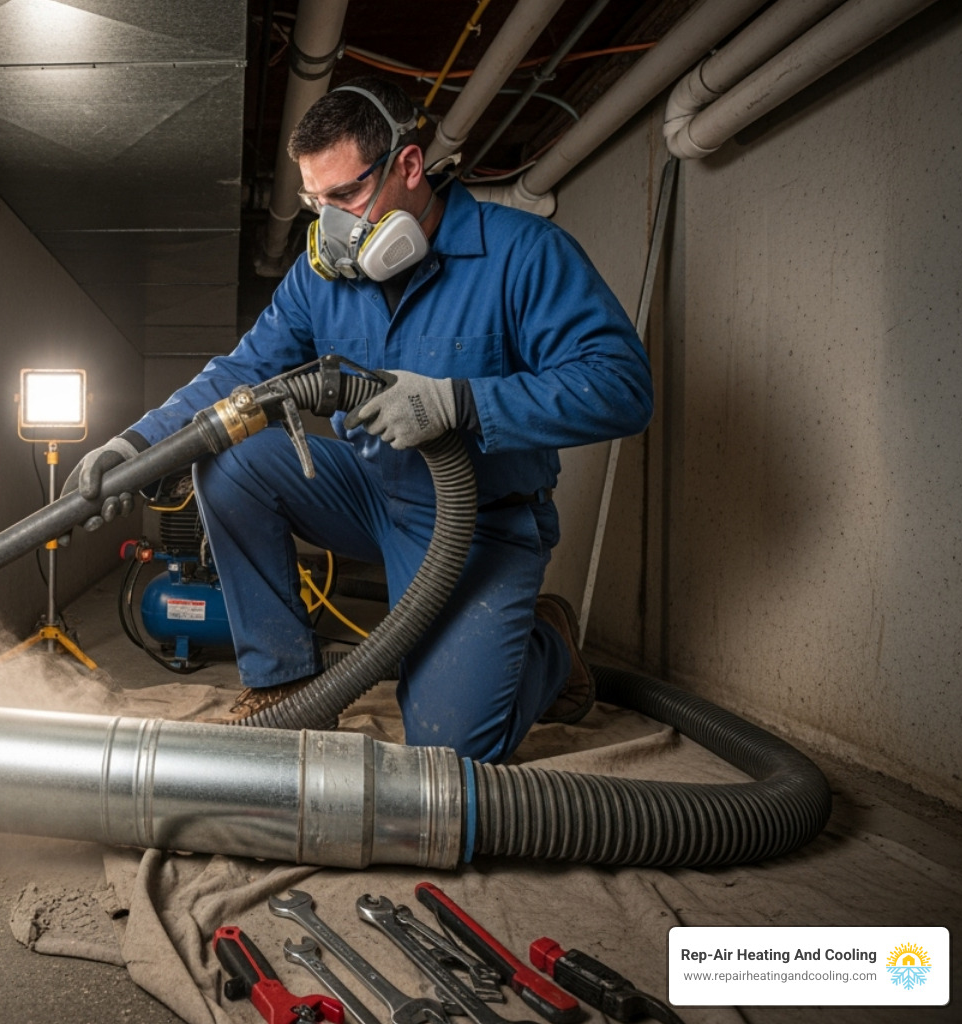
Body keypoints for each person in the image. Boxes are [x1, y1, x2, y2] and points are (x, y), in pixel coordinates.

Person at [65, 78, 653, 762]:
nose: (332, 226)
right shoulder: (322, 279)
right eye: (317, 203)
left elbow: (621, 387)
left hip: (480, 521)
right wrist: (134, 444)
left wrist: (458, 402)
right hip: (371, 493)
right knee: (227, 454)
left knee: (451, 751)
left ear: (408, 167)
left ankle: (547, 644)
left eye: (345, 197)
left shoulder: (523, 254)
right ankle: (285, 682)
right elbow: (239, 374)